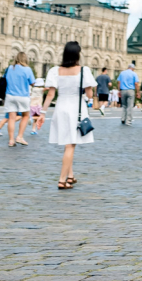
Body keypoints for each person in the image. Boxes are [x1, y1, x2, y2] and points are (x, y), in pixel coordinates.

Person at [36, 41, 96, 190]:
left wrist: (42, 113)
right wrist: (89, 97)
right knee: (70, 145)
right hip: (76, 108)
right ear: (77, 54)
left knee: (68, 143)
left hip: (61, 107)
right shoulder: (84, 71)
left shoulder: (55, 71)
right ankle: (62, 180)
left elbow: (50, 94)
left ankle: (70, 176)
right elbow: (89, 94)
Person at [4, 52, 35, 147]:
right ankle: (19, 137)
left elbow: (4, 79)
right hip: (23, 96)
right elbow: (32, 83)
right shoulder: (27, 69)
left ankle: (11, 140)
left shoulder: (9, 68)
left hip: (10, 96)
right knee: (25, 116)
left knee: (11, 118)